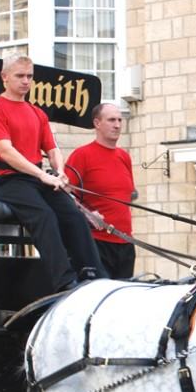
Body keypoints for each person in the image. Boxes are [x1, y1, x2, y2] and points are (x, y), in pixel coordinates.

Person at [0, 55, 107, 292]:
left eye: (29, 76)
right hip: (9, 180)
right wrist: (41, 175)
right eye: (20, 76)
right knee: (44, 216)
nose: (26, 81)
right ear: (4, 77)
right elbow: (6, 152)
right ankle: (64, 281)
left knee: (73, 216)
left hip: (38, 178)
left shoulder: (37, 112)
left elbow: (52, 148)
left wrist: (59, 171)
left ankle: (92, 273)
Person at [67, 103, 136, 279]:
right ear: (97, 123)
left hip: (126, 242)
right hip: (96, 242)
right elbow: (64, 194)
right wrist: (87, 214)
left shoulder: (124, 157)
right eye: (111, 120)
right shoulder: (81, 155)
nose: (118, 125)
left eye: (120, 120)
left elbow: (127, 196)